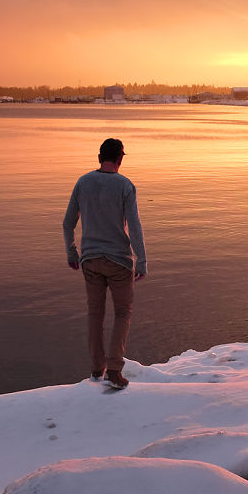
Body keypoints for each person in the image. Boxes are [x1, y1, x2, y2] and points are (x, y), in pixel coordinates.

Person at [63, 137, 147, 389]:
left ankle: (95, 370)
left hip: (89, 260)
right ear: (120, 158)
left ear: (100, 157)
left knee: (95, 315)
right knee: (122, 313)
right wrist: (141, 261)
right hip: (119, 261)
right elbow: (134, 226)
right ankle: (113, 369)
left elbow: (68, 223)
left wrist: (71, 253)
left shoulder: (83, 182)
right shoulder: (125, 185)